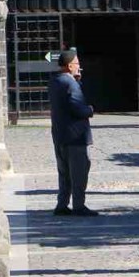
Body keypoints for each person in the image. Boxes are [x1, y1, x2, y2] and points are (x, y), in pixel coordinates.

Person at [49, 50, 98, 217]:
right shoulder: (70, 84)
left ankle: (62, 204)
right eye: (77, 64)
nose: (79, 67)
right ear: (70, 66)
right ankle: (79, 205)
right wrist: (89, 110)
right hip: (76, 136)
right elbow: (77, 108)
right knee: (79, 172)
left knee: (64, 173)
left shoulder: (55, 81)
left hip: (60, 135)